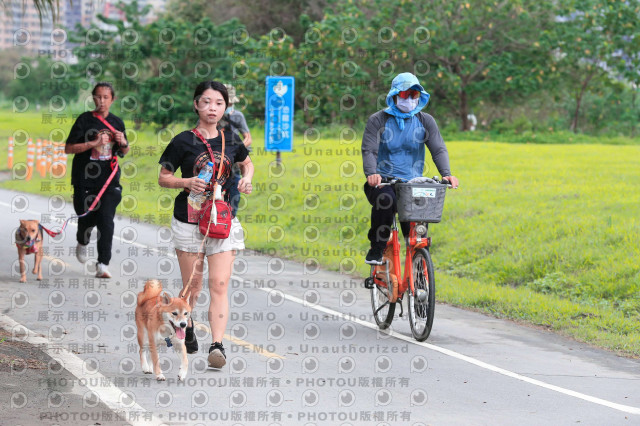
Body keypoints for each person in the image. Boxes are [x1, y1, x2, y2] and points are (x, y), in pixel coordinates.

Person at [158, 81, 254, 368]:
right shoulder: (182, 141)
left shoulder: (231, 139)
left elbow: (246, 163)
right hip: (188, 219)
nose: (212, 108)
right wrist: (186, 182)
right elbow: (164, 177)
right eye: (207, 102)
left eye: (218, 103)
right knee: (194, 287)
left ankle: (217, 346)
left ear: (225, 107)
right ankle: (185, 326)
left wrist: (247, 178)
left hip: (222, 220)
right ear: (196, 105)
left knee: (220, 283)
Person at [361, 72, 459, 265]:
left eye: (414, 95)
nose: (410, 100)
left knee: (418, 229)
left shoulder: (425, 120)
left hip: (412, 184)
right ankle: (377, 248)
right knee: (386, 200)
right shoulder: (378, 120)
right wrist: (372, 173)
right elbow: (369, 150)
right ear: (395, 95)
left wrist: (447, 174)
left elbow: (438, 149)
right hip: (383, 181)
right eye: (406, 95)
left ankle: (420, 267)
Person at [65, 82, 129, 278]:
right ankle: (82, 240)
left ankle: (103, 264)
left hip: (109, 180)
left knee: (106, 220)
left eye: (106, 97)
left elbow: (124, 151)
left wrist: (123, 142)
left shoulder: (117, 123)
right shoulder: (84, 120)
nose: (102, 101)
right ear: (93, 98)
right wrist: (93, 143)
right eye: (98, 97)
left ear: (112, 99)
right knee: (85, 216)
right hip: (84, 179)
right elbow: (68, 148)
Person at [220, 84, 252, 217]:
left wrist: (238, 149)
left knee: (233, 198)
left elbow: (248, 138)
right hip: (217, 164)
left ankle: (230, 222)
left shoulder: (238, 116)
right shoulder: (211, 116)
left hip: (234, 164)